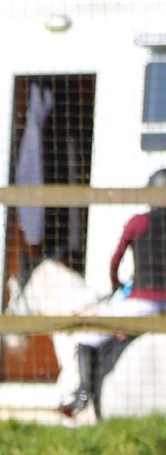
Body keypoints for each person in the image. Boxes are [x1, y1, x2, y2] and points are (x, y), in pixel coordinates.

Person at [60, 167, 166, 418]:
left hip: (142, 304)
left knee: (85, 337)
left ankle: (84, 394)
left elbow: (115, 262)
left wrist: (116, 284)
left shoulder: (138, 223)